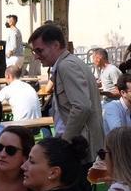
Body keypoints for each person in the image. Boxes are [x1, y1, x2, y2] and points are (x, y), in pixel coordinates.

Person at [28, 24, 103, 169]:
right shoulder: (67, 63)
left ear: (56, 45)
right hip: (80, 146)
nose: (36, 56)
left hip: (78, 149)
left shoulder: (66, 66)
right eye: (34, 51)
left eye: (39, 50)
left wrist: (65, 142)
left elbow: (82, 107)